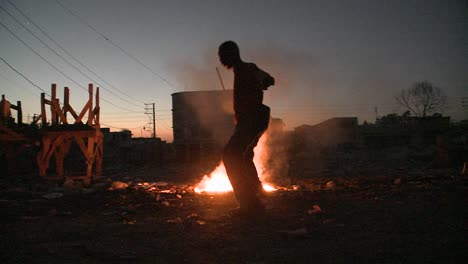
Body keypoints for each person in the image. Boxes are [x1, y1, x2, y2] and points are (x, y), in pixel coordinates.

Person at [218, 41, 275, 216]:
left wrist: (262, 82)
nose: (221, 60)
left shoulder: (247, 68)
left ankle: (250, 205)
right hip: (253, 119)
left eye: (222, 55)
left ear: (231, 54)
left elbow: (269, 79)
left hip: (252, 118)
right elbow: (267, 80)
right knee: (245, 155)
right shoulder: (241, 70)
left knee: (231, 155)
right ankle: (256, 190)